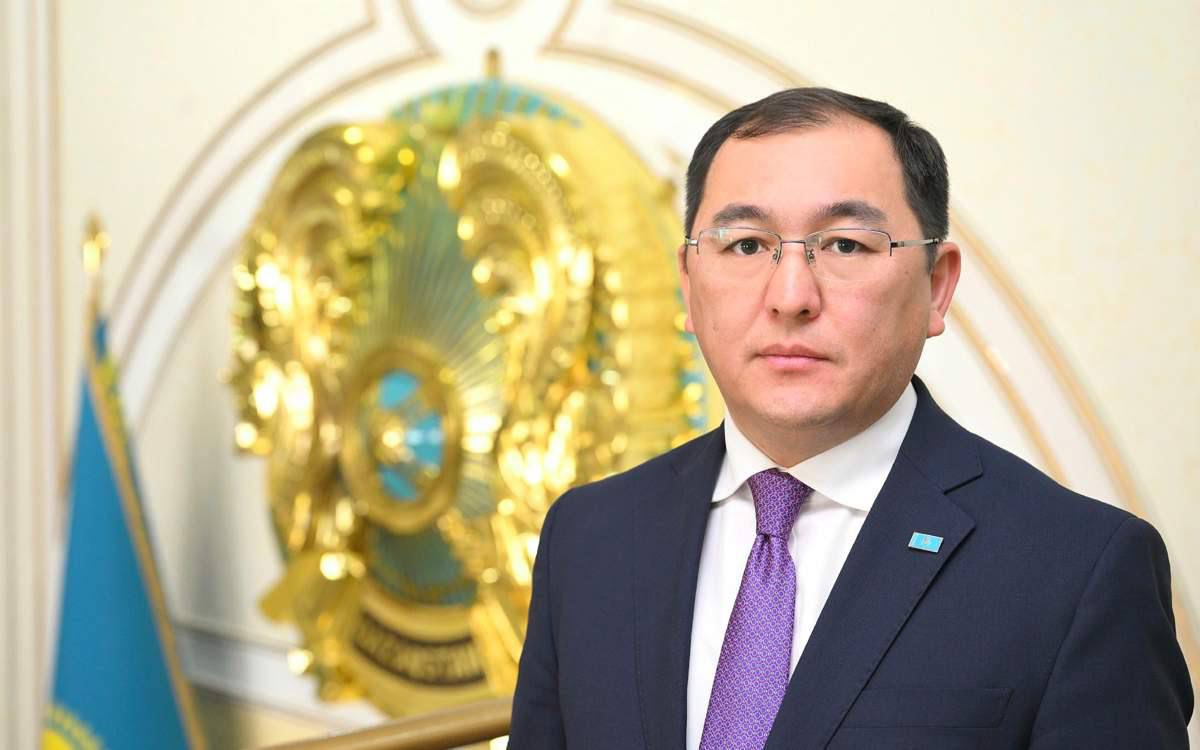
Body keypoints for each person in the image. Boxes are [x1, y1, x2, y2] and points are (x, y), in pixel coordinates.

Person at [508, 87, 1193, 749]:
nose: (791, 297)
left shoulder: (1078, 569)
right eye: (746, 245)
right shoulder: (590, 538)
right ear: (688, 284)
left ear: (937, 286)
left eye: (845, 246)